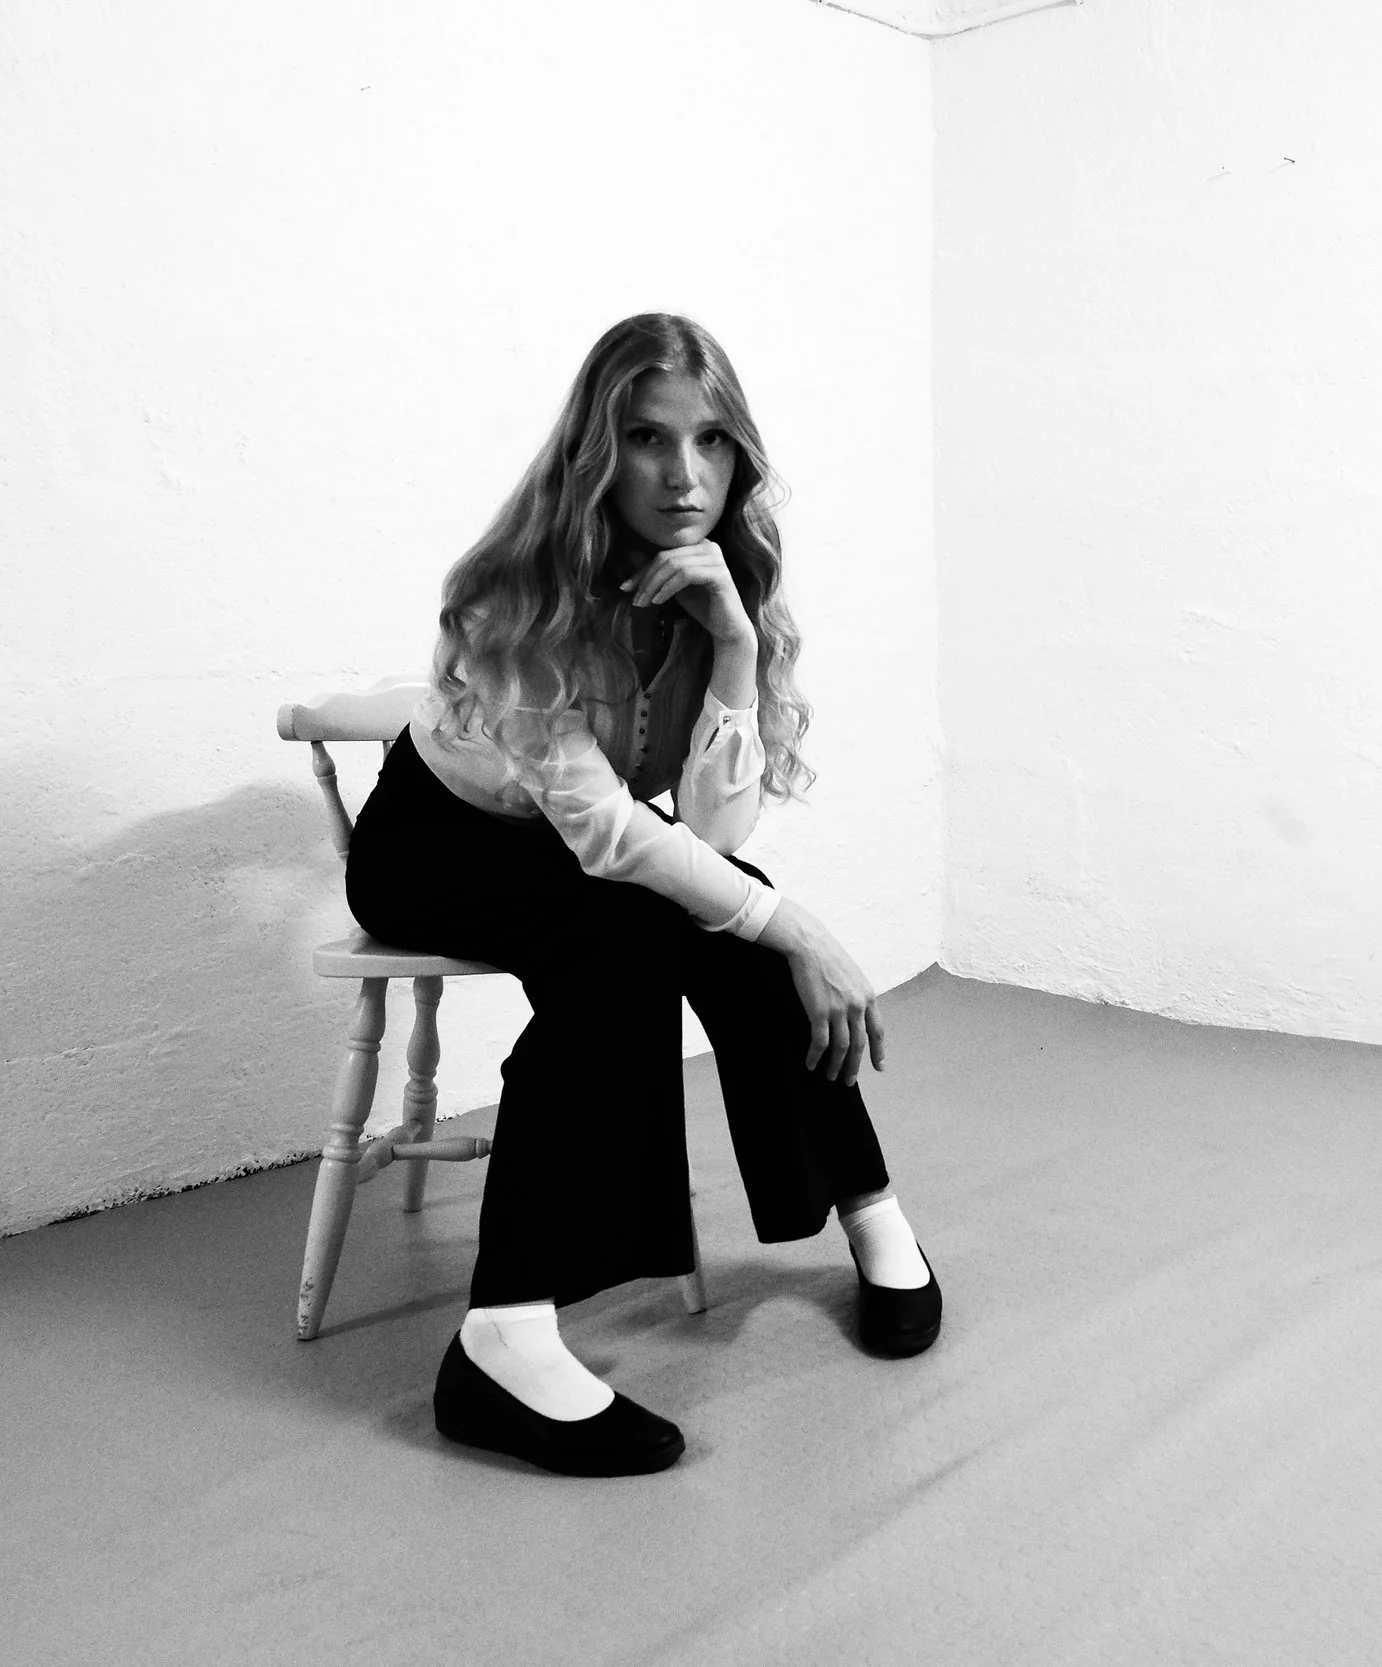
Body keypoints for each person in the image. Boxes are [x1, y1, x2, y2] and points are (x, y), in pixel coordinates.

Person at [344, 313, 939, 1477]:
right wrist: (802, 925)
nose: (684, 475)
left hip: (569, 843)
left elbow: (712, 835)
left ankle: (869, 1209)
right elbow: (615, 836)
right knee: (639, 931)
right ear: (596, 452)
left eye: (711, 440)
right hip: (437, 841)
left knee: (731, 920)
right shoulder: (514, 597)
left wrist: (732, 646)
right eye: (649, 438)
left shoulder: (714, 583)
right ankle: (501, 1338)